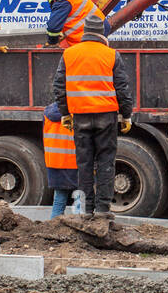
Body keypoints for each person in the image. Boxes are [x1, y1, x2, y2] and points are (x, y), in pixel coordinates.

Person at [51, 13, 133, 218]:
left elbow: (59, 87)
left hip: (80, 116)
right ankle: (103, 209)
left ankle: (86, 210)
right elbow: (122, 88)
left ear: (85, 32)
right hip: (106, 116)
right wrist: (126, 115)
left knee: (84, 164)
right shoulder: (111, 54)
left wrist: (65, 113)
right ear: (102, 33)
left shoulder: (69, 54)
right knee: (106, 162)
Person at [38, 0, 108, 46]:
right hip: (99, 28)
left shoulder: (62, 1)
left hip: (92, 33)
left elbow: (53, 27)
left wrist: (52, 43)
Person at [42, 101, 77, 217]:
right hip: (74, 162)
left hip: (55, 162)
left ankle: (54, 225)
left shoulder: (47, 112)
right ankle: (80, 225)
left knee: (59, 199)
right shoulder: (76, 112)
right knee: (80, 198)